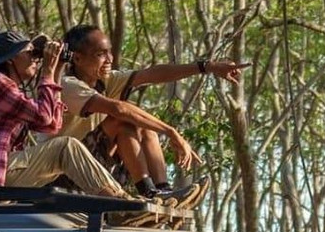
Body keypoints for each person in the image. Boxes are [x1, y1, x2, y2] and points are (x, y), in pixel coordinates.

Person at [54, 25, 248, 206]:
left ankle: (162, 190)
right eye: (100, 54)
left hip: (97, 166)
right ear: (77, 59)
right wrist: (171, 132)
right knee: (124, 119)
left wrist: (207, 67)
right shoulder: (68, 85)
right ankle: (149, 192)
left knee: (143, 124)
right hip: (67, 171)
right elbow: (119, 110)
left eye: (109, 52)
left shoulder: (106, 81)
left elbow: (152, 74)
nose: (110, 59)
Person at [0, 30, 129, 198]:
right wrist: (47, 71)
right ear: (11, 59)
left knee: (63, 147)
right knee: (65, 146)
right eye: (30, 53)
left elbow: (51, 125)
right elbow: (44, 117)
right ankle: (118, 204)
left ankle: (116, 202)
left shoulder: (11, 89)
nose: (35, 59)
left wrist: (57, 70)